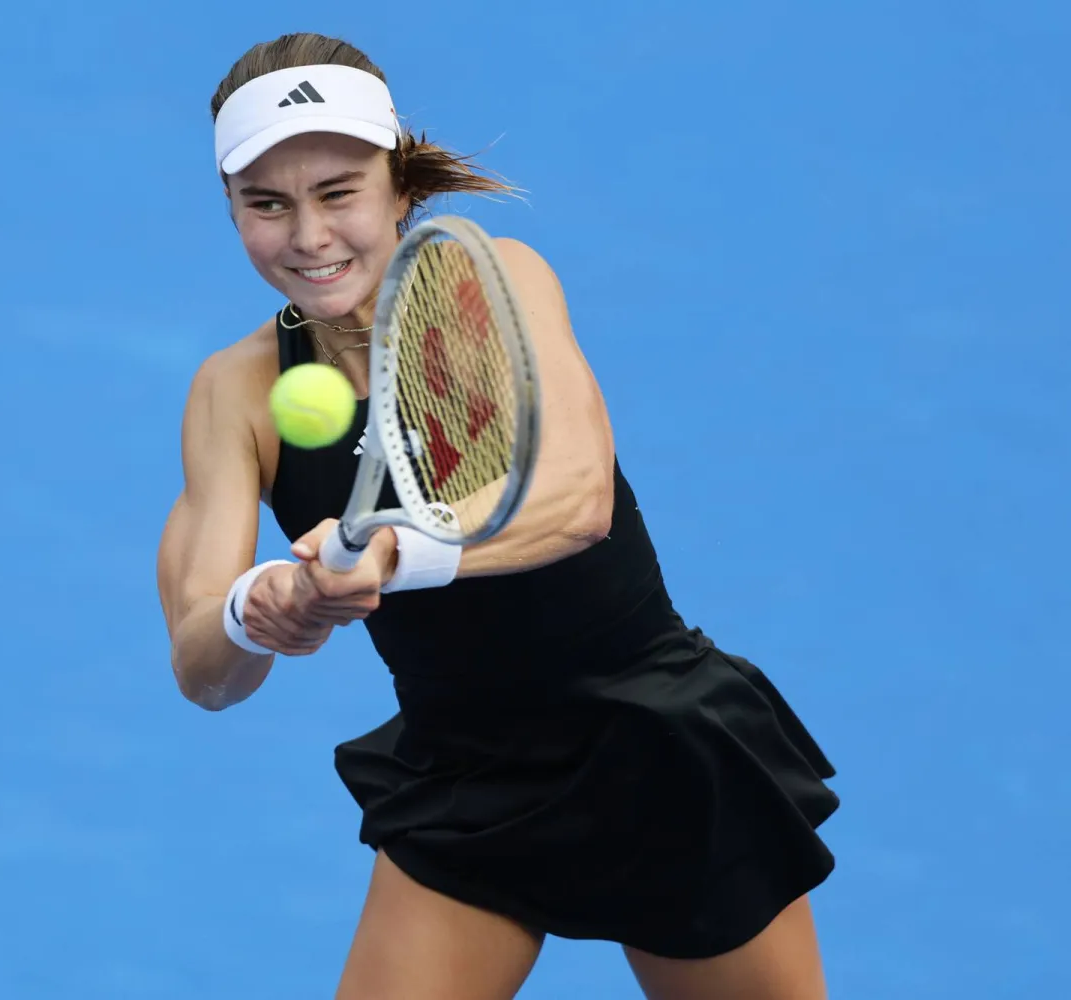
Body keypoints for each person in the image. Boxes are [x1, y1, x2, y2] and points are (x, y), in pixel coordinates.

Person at [155, 31, 840, 1000]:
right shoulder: (232, 393)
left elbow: (574, 500)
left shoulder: (493, 281)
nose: (307, 236)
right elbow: (203, 668)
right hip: (465, 774)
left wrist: (391, 551)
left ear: (399, 188)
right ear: (231, 212)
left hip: (654, 741)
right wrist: (257, 606)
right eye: (267, 204)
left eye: (338, 192)